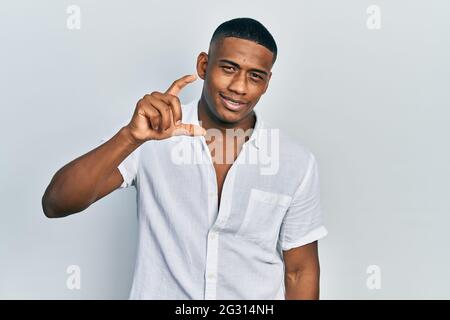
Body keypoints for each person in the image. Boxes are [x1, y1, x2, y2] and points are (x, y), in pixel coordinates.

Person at [42, 17, 328, 300]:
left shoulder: (295, 162)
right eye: (229, 68)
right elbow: (57, 203)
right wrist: (129, 138)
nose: (240, 87)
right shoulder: (152, 136)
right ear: (204, 65)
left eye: (255, 76)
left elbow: (299, 270)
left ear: (266, 83)